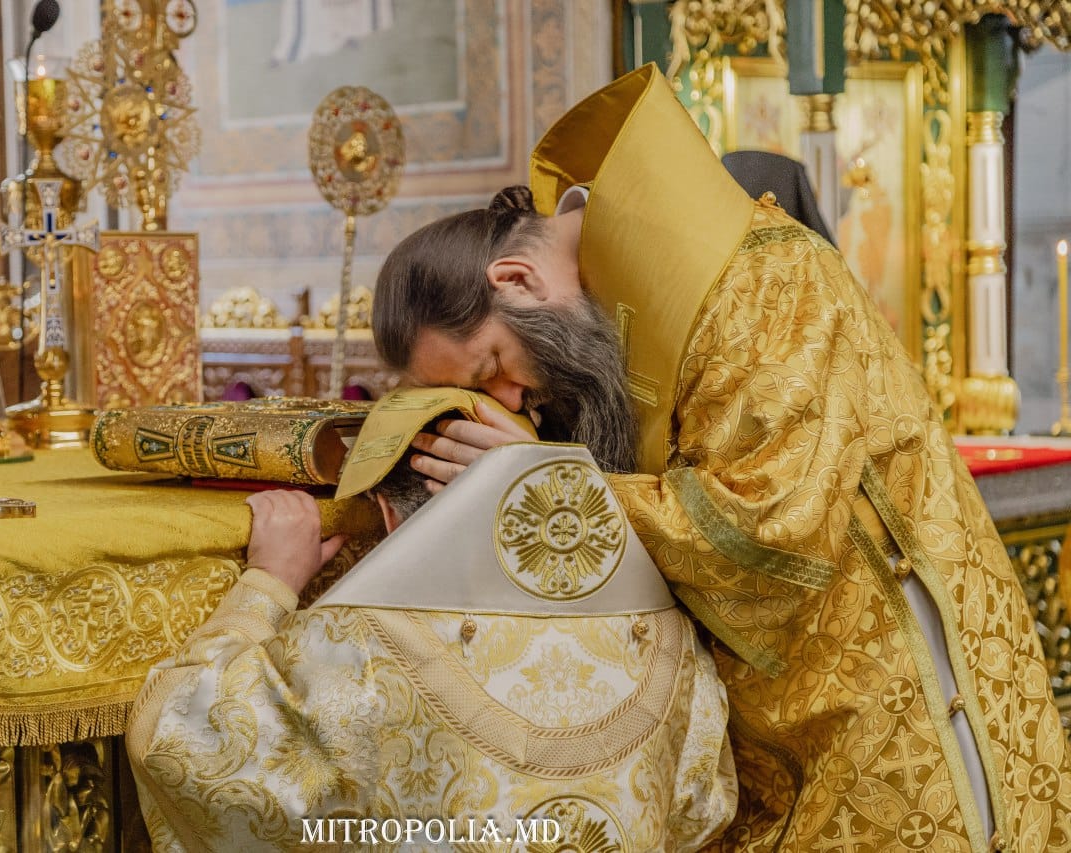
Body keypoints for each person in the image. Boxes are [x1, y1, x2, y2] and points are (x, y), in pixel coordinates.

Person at [370, 63, 1071, 851]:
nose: (511, 400)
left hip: (900, 720)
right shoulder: (592, 319)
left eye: (492, 368)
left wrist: (546, 482)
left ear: (516, 278)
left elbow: (770, 528)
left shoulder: (760, 277)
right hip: (772, 743)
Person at [126, 387, 736, 852]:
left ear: (389, 516)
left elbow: (178, 746)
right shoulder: (671, 638)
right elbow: (701, 811)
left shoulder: (359, 652)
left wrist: (268, 582)